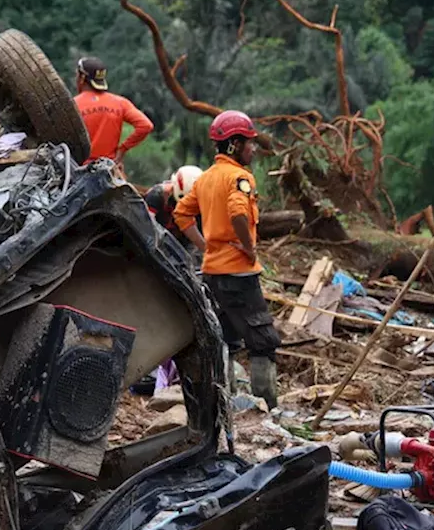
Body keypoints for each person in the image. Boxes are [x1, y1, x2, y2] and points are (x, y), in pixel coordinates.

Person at [173, 110, 280, 408]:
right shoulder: (239, 177)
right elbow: (238, 213)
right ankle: (267, 408)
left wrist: (205, 246)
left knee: (226, 338)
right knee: (263, 339)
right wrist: (249, 248)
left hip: (213, 274)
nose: (254, 148)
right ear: (234, 144)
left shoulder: (206, 179)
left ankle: (226, 404)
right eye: (250, 142)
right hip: (239, 274)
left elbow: (181, 214)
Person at [73, 56, 154, 166]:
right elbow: (146, 125)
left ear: (82, 78)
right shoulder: (119, 102)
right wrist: (122, 149)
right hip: (110, 169)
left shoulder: (73, 105)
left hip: (81, 170)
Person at [143, 164, 203, 244]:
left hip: (181, 247)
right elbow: (145, 226)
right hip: (154, 242)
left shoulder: (200, 208)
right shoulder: (157, 195)